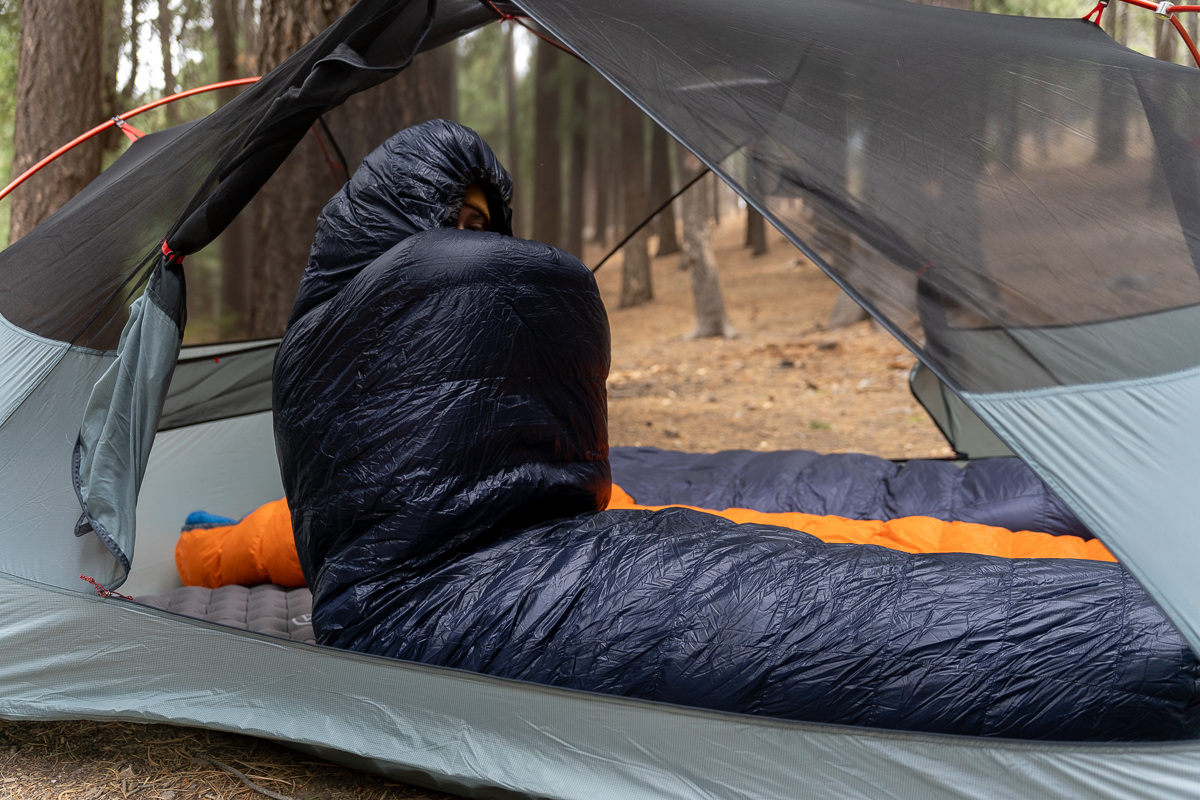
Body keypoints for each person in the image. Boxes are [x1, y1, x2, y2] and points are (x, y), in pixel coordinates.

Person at [272, 120, 1200, 742]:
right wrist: (204, 548)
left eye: (484, 224)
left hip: (552, 538)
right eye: (457, 225)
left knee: (815, 559)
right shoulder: (328, 341)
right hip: (438, 590)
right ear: (390, 236)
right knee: (840, 623)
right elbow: (362, 528)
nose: (481, 245)